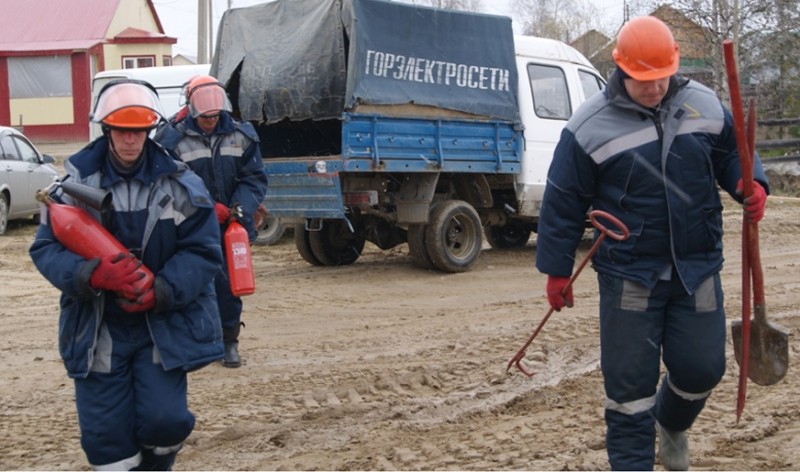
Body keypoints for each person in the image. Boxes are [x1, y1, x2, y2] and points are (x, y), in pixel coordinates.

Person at [535, 16, 769, 471]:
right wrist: (557, 270)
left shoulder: (704, 105)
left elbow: (732, 153)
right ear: (622, 69)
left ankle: (672, 423)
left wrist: (750, 182)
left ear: (673, 67)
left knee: (703, 371)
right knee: (628, 394)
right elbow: (563, 202)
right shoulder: (589, 125)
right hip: (630, 275)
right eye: (644, 79)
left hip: (696, 267)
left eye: (661, 77)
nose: (654, 88)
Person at [29, 79, 224, 470]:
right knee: (105, 437)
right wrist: (92, 274)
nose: (131, 141)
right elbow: (46, 249)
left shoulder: (182, 185)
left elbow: (204, 253)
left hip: (159, 325)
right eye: (122, 131)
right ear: (107, 129)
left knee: (165, 421)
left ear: (149, 132)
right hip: (99, 327)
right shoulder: (74, 186)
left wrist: (163, 290)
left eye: (138, 131)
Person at [156, 74, 268, 368]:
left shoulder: (242, 135)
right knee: (189, 282)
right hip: (189, 223)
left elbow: (254, 178)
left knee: (229, 284)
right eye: (205, 115)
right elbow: (168, 183)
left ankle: (229, 341)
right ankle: (194, 343)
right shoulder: (172, 139)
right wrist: (206, 207)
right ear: (191, 107)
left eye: (215, 114)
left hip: (233, 224)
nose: (210, 120)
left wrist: (238, 209)